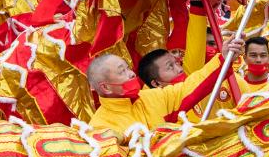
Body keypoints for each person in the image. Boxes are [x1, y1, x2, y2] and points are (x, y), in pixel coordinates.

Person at [85, 50, 223, 134]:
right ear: (106, 88)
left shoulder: (153, 96)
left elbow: (190, 87)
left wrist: (222, 59)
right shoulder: (100, 128)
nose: (131, 74)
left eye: (128, 68)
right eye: (122, 71)